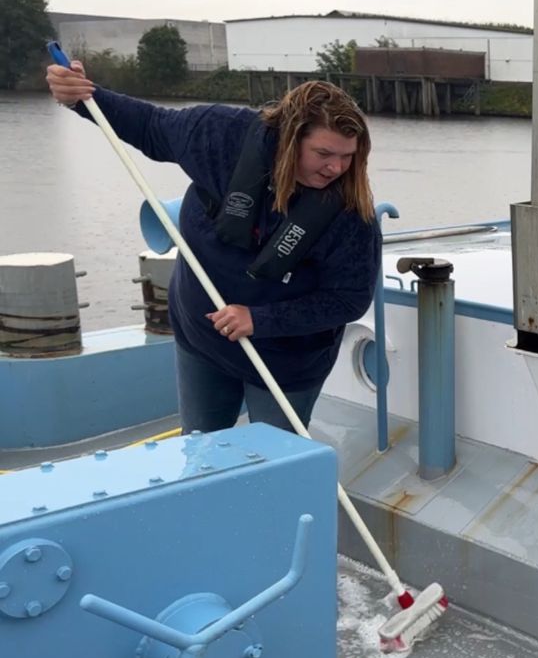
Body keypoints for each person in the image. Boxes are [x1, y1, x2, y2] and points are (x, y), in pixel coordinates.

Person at [47, 60, 381, 434]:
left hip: (287, 363)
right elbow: (151, 127)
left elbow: (349, 300)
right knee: (201, 450)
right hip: (201, 338)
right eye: (324, 154)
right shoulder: (220, 136)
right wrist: (83, 97)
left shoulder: (352, 215)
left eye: (347, 157)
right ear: (290, 139)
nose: (336, 168)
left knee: (272, 468)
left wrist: (260, 320)